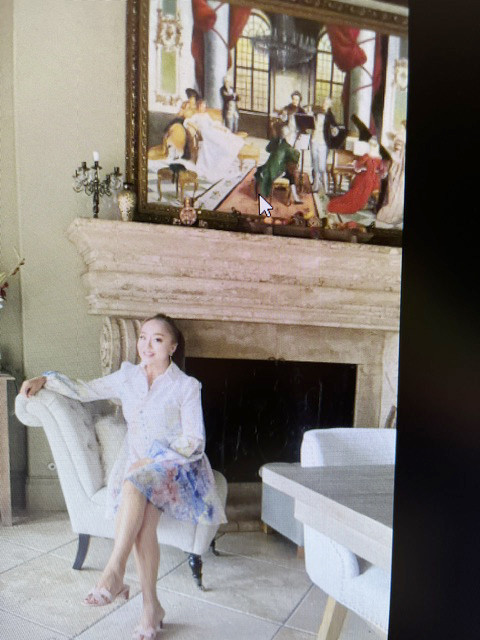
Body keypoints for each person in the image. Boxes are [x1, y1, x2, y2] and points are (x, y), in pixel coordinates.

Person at [20, 314, 227, 640]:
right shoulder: (128, 376)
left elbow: (194, 441)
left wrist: (151, 459)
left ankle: (114, 572)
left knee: (135, 481)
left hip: (174, 466)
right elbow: (85, 390)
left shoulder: (186, 386)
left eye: (157, 339)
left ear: (172, 347)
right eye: (143, 337)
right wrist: (44, 379)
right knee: (141, 515)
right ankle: (151, 608)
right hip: (136, 468)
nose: (147, 345)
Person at [183, 99, 244, 182]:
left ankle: (223, 153)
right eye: (202, 106)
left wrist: (221, 128)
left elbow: (212, 124)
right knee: (215, 139)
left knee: (223, 137)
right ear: (198, 106)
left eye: (204, 106)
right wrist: (195, 126)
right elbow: (187, 121)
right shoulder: (196, 116)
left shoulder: (206, 115)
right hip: (204, 132)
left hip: (210, 129)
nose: (203, 108)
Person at [327, 137, 388, 215]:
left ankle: (361, 204)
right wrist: (374, 172)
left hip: (365, 178)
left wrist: (359, 165)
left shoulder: (367, 156)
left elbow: (357, 167)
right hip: (372, 180)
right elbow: (382, 172)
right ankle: (363, 204)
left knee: (357, 193)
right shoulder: (379, 158)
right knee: (358, 195)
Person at [254, 125, 303, 203]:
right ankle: (295, 198)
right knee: (291, 175)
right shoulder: (287, 147)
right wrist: (296, 146)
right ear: (288, 136)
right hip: (276, 172)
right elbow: (295, 158)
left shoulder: (276, 141)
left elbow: (268, 149)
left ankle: (295, 197)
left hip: (266, 169)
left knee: (287, 171)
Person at [309, 97, 347, 193]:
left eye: (326, 103)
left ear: (330, 105)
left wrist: (335, 130)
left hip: (323, 142)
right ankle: (316, 186)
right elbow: (310, 121)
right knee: (315, 165)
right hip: (314, 140)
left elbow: (336, 128)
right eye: (324, 102)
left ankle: (326, 189)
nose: (324, 104)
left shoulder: (330, 116)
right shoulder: (317, 112)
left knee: (322, 167)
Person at [376, 122, 406, 226]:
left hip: (398, 167)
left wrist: (391, 152)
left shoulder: (400, 137)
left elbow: (397, 155)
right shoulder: (400, 136)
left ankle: (393, 212)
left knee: (395, 189)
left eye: (401, 127)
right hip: (398, 167)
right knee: (395, 189)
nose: (400, 128)